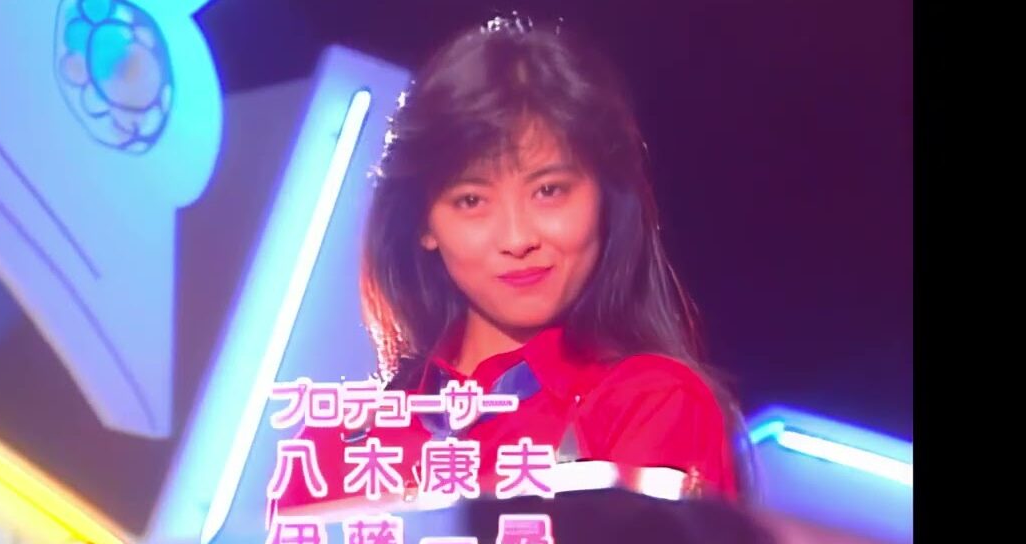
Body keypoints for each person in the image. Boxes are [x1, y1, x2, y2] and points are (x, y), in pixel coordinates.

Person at [278, 15, 752, 509]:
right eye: (471, 200)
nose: (518, 238)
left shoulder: (651, 404)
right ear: (424, 225)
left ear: (605, 199)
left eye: (549, 191)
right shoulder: (335, 446)